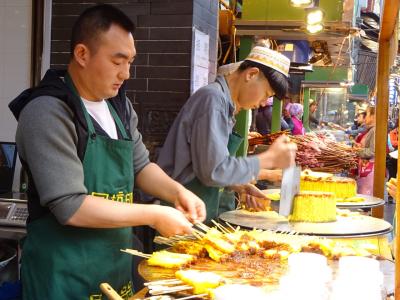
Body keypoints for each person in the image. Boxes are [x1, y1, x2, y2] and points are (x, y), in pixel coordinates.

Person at [9, 5, 206, 299]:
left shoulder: (118, 107)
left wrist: (177, 192)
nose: (125, 74)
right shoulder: (47, 111)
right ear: (82, 54)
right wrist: (153, 214)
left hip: (112, 265)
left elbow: (140, 166)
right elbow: (70, 205)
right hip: (63, 276)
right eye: (117, 61)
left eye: (130, 62)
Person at [157, 46, 297, 221]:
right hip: (180, 211)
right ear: (251, 74)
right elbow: (213, 170)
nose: (262, 103)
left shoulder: (223, 104)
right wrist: (267, 160)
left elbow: (206, 164)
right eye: (266, 94)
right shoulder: (213, 100)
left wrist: (239, 185)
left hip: (195, 207)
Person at [354, 106, 376, 195]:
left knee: (366, 198)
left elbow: (373, 151)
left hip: (370, 170)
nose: (365, 117)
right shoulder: (371, 130)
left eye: (367, 114)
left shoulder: (375, 130)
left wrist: (357, 150)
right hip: (365, 169)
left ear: (373, 116)